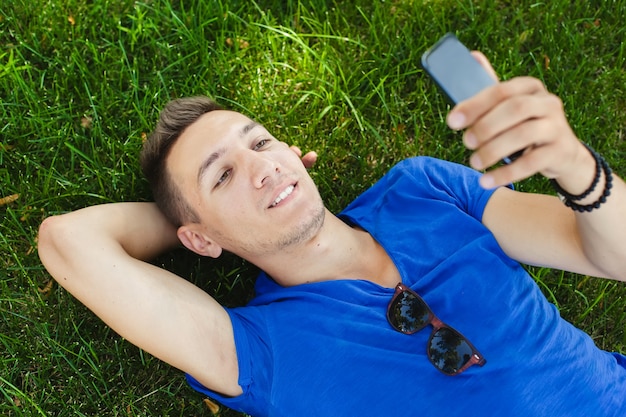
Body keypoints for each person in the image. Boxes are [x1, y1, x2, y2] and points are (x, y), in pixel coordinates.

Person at [38, 51, 626, 416]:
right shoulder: (260, 348)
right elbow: (68, 241)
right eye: (223, 173)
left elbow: (607, 252)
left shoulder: (422, 190)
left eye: (261, 142)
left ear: (295, 153)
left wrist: (575, 167)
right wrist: (196, 223)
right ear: (198, 240)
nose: (261, 164)